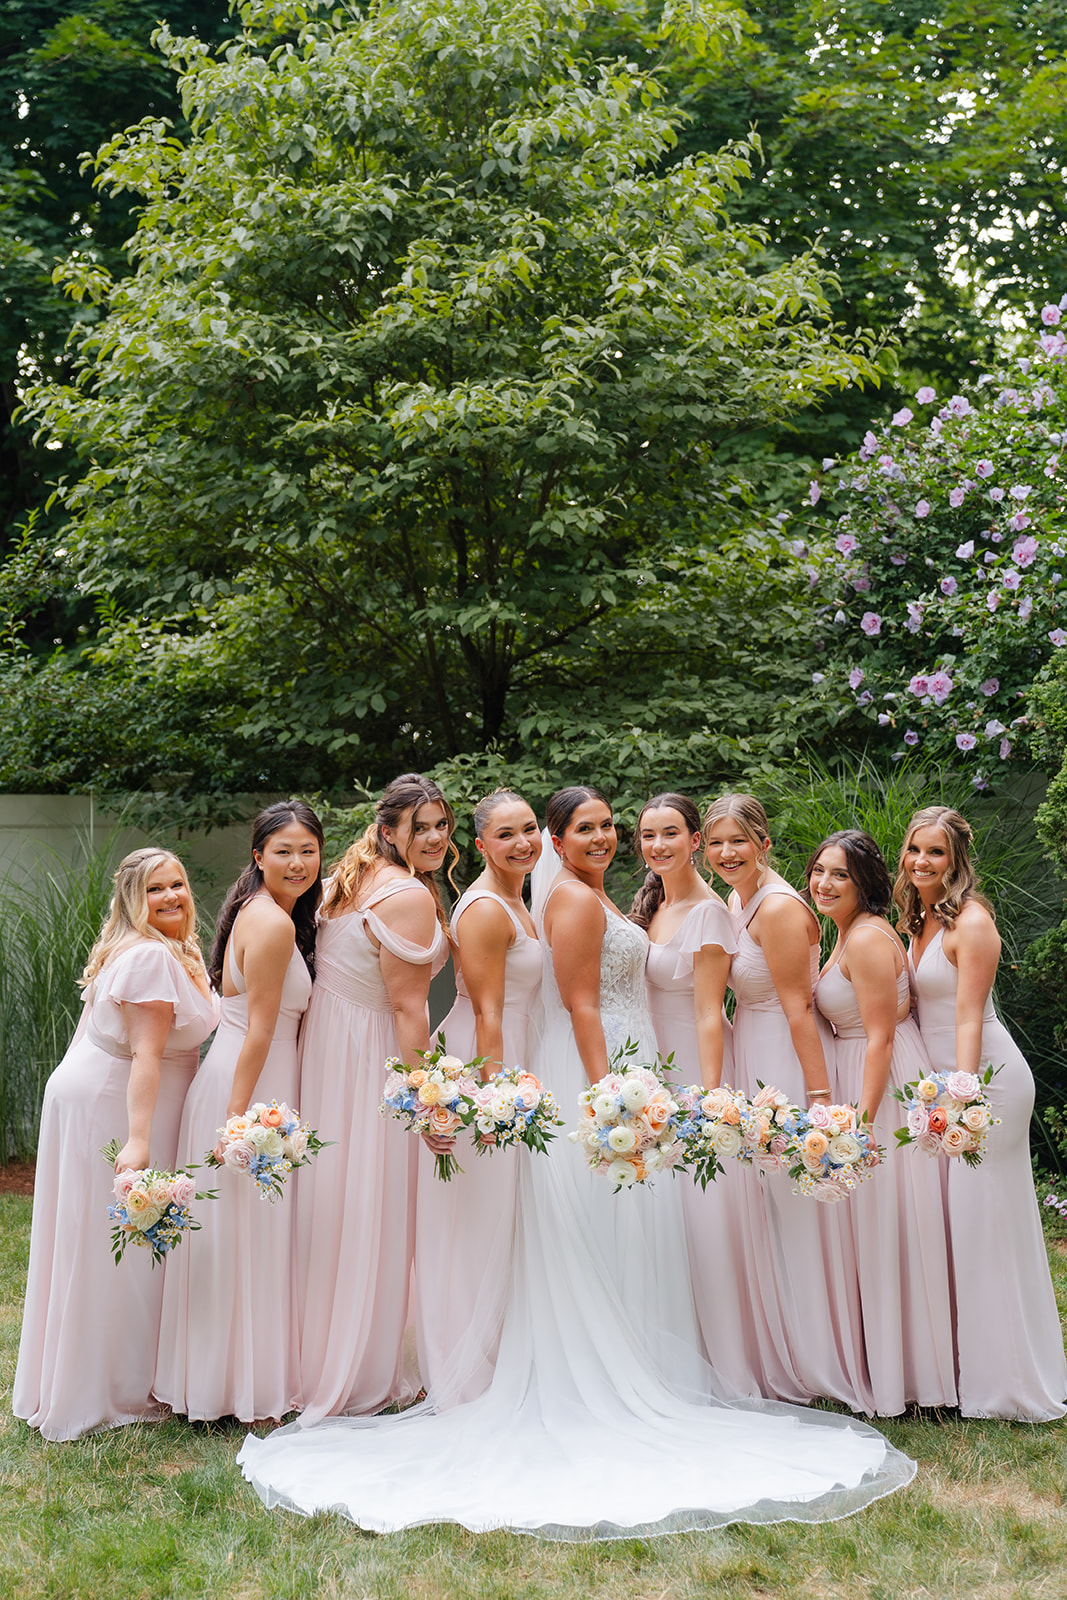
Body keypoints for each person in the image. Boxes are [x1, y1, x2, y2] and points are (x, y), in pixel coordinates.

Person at [236, 785, 914, 1538]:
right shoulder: (517, 907)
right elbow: (532, 1005)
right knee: (524, 1228)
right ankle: (482, 1375)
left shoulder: (560, 900)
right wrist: (596, 1090)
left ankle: (580, 1359)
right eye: (526, 832)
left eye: (589, 827)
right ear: (503, 844)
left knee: (566, 1227)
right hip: (556, 1070)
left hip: (568, 1064)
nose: (543, 841)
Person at [14, 849, 219, 1440]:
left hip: (96, 1091)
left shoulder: (158, 948)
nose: (173, 897)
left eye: (178, 884)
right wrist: (136, 1142)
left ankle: (83, 1376)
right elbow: (148, 1055)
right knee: (118, 1245)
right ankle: (113, 1388)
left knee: (91, 1238)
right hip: (118, 1101)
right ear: (134, 899)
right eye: (156, 890)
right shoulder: (152, 957)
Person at [155, 801, 323, 1423]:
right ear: (258, 856)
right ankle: (246, 1392)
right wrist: (236, 1121)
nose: (299, 862)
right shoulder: (275, 925)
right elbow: (259, 1031)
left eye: (309, 849)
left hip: (238, 1074)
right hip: (248, 1082)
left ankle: (218, 1382)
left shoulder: (258, 910)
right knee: (247, 1234)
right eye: (284, 850)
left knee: (237, 1235)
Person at [703, 793, 873, 1413]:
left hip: (783, 1060)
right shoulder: (736, 900)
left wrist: (819, 1097)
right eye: (716, 843)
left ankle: (816, 1356)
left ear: (764, 844)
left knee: (793, 1205)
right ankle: (777, 1344)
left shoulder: (776, 908)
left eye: (738, 842)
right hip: (753, 1049)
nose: (726, 854)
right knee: (769, 1206)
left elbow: (800, 1009)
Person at [898, 805, 1067, 1421]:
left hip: (986, 1083)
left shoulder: (972, 922)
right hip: (942, 1086)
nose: (921, 862)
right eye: (914, 850)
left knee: (982, 1225)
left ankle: (1006, 1383)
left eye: (935, 852)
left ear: (958, 860)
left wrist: (961, 1093)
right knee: (959, 1226)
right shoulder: (915, 918)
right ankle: (964, 1371)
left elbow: (968, 1015)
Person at [295, 775, 454, 1424]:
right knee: (376, 1203)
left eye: (442, 824)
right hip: (369, 1060)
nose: (436, 837)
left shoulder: (343, 878)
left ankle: (327, 1351)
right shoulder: (409, 895)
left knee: (338, 1206)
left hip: (329, 1049)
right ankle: (368, 1363)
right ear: (389, 831)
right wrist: (421, 1102)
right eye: (421, 827)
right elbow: (409, 1008)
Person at [807, 830, 956, 1415]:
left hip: (883, 1078)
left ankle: (915, 1379)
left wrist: (860, 1123)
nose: (824, 883)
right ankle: (889, 1364)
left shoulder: (867, 938)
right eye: (819, 871)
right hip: (862, 1068)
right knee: (879, 1222)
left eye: (839, 874)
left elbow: (881, 1035)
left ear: (864, 882)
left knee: (894, 1219)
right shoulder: (847, 934)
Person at [414, 788, 543, 1407]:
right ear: (480, 845)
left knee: (502, 1217)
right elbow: (487, 1012)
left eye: (530, 830)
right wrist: (493, 1101)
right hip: (488, 1060)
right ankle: (468, 1368)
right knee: (478, 1217)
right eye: (507, 834)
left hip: (514, 1052)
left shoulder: (520, 901)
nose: (523, 843)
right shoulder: (486, 910)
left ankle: (504, 1351)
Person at [632, 792, 756, 1394]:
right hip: (656, 1063)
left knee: (699, 1210)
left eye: (670, 834)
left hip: (694, 1065)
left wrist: (707, 1099)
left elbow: (712, 1011)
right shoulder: (660, 901)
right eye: (648, 835)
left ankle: (718, 1356)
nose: (658, 846)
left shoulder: (706, 912)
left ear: (694, 842)